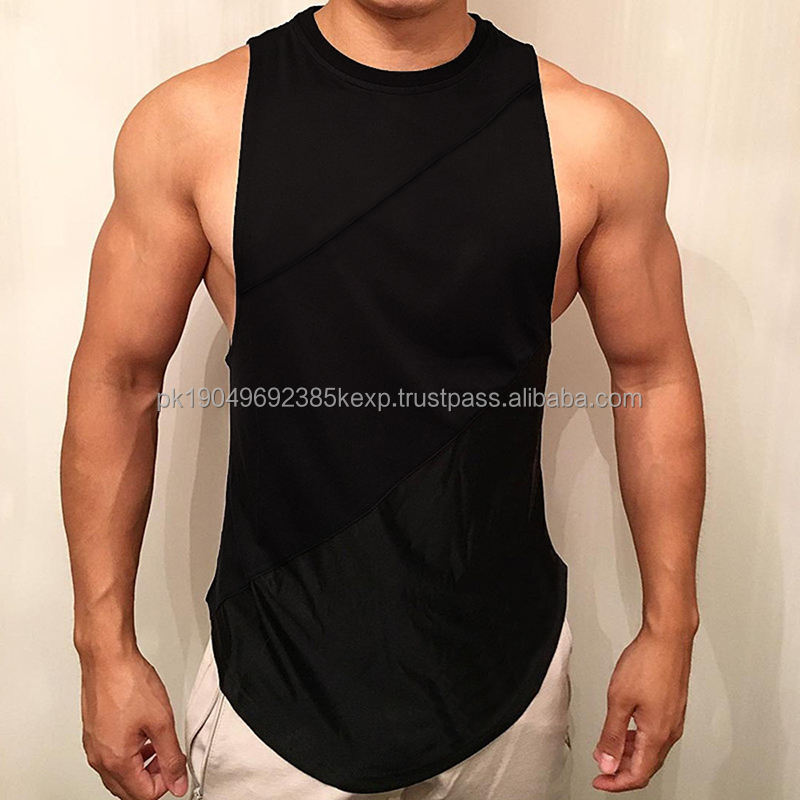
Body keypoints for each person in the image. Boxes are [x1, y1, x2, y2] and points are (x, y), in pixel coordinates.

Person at [60, 1, 705, 798]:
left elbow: (652, 377)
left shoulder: (592, 138)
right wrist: (103, 649)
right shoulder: (196, 123)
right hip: (275, 691)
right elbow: (119, 379)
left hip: (508, 690)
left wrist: (671, 627)